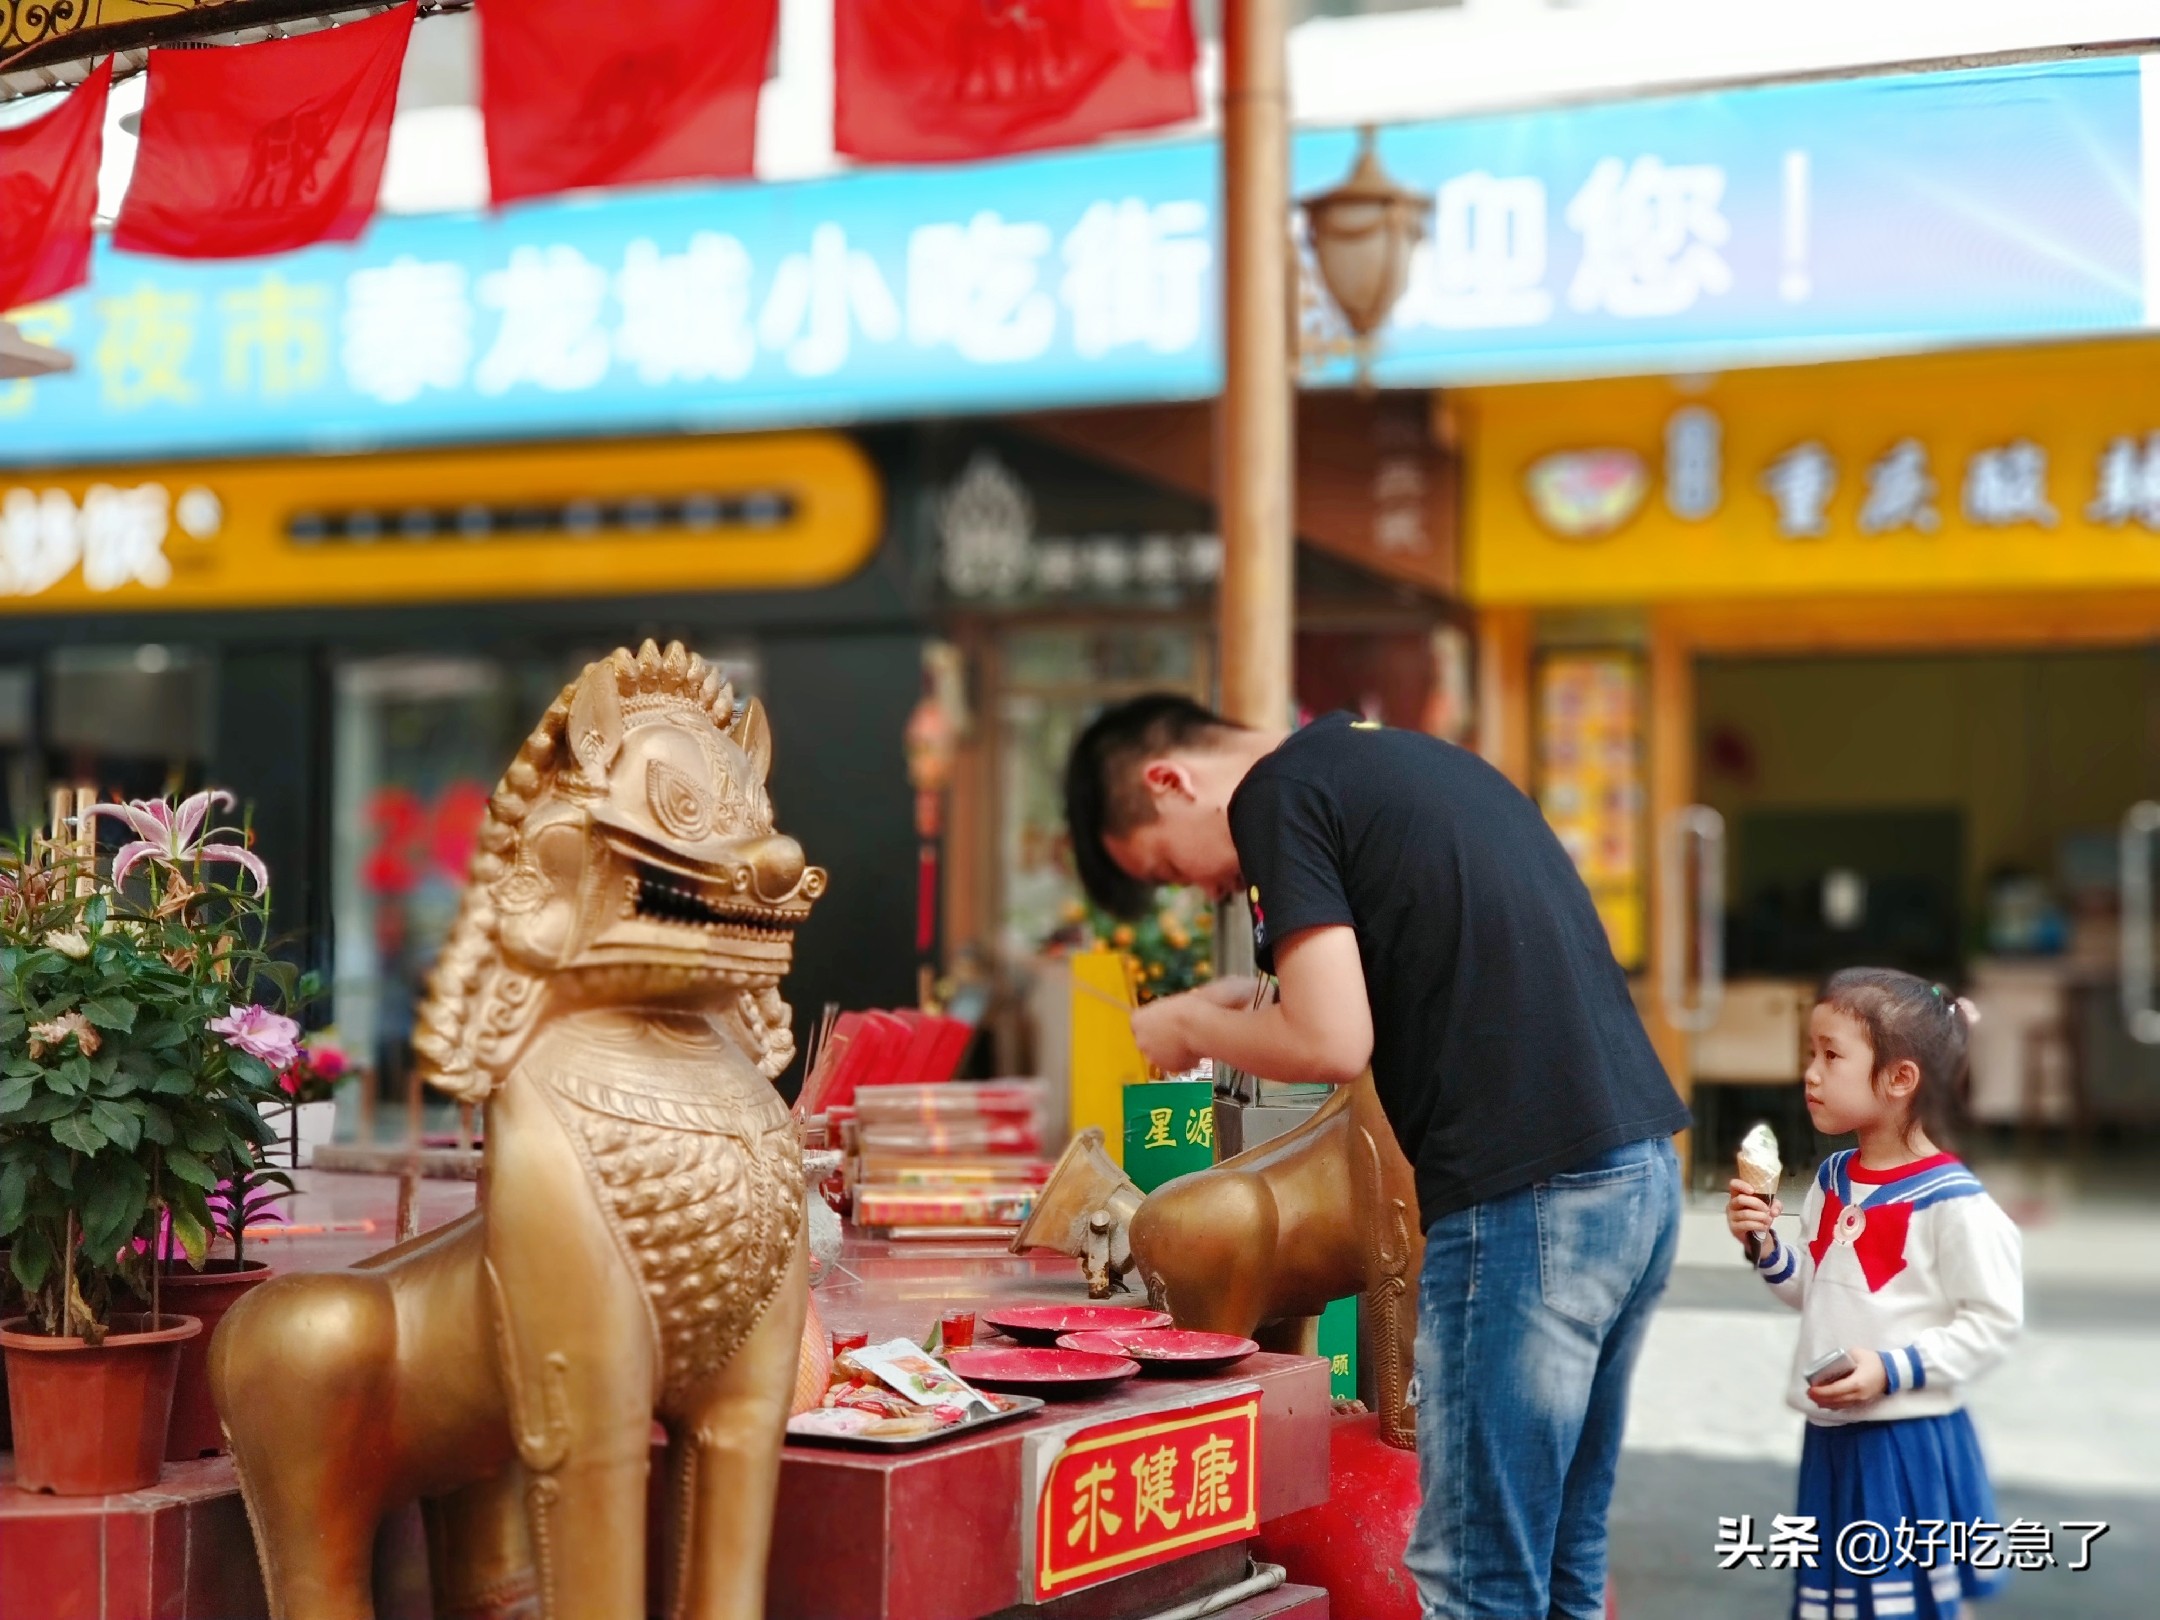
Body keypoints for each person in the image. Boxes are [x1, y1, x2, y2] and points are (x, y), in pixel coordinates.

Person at [1063, 695, 1691, 1620]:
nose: (1202, 890)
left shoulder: (1274, 794)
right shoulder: (1390, 760)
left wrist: (1190, 1023)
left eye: (1167, 867)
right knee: (1563, 1557)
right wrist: (1246, 998)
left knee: (1481, 1578)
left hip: (1526, 1201)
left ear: (1170, 782)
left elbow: (1331, 1039)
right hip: (1636, 1178)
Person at [1727, 968, 2023, 1620]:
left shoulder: (1954, 1203)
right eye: (1811, 1053)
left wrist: (1892, 1368)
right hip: (1834, 1435)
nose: (1810, 1073)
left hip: (1906, 1440)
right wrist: (1765, 1246)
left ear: (1899, 1078)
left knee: (1913, 1604)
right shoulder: (1833, 1178)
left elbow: (1994, 1322)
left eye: (1831, 1056)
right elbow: (1816, 1289)